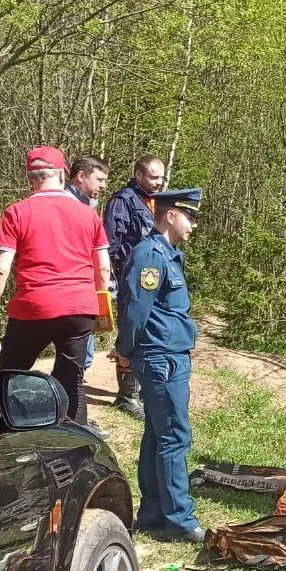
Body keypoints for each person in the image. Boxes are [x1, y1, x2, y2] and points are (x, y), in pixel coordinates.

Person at [0, 146, 110, 428]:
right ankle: (76, 441)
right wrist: (100, 308)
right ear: (63, 175)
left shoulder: (16, 213)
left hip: (33, 307)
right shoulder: (89, 215)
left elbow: (1, 268)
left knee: (11, 375)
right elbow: (103, 268)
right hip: (79, 307)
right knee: (71, 378)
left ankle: (9, 434)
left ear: (30, 178)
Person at [115, 187, 205, 542]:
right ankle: (180, 518)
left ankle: (153, 511)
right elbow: (136, 309)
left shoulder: (167, 255)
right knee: (174, 437)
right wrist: (125, 349)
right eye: (190, 217)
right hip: (161, 357)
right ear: (170, 215)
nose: (193, 225)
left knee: (157, 434)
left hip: (168, 354)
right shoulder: (150, 255)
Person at [104, 154, 167, 417]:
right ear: (139, 174)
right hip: (130, 280)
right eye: (153, 177)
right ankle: (126, 396)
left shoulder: (158, 202)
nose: (158, 182)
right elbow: (112, 244)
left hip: (154, 280)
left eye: (161, 177)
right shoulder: (123, 201)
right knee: (132, 334)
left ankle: (141, 391)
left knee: (149, 334)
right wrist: (121, 276)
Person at [66, 155, 111, 385]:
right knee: (75, 357)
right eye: (99, 179)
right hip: (72, 286)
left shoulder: (87, 205)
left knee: (79, 356)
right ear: (81, 176)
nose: (103, 186)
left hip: (83, 283)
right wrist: (102, 292)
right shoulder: (66, 204)